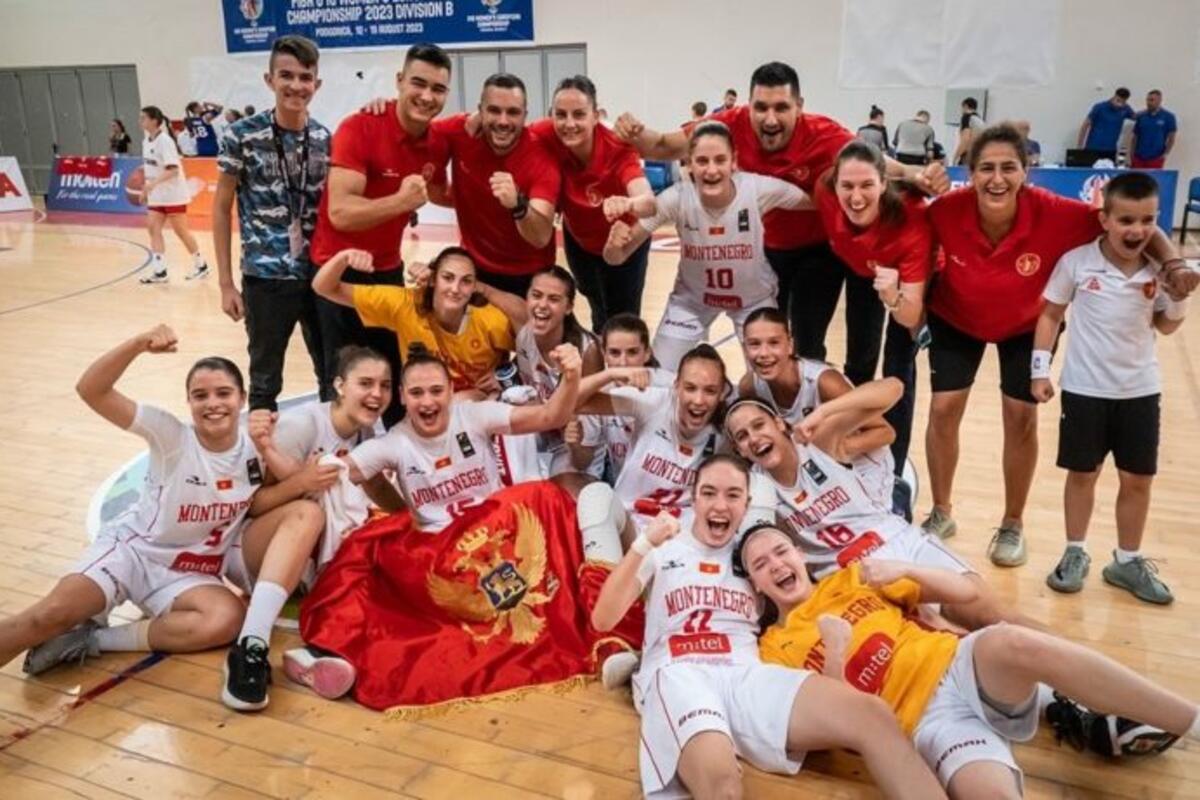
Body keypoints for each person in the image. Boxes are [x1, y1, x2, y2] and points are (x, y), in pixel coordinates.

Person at [5, 327, 325, 715]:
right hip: (133, 553)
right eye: (200, 395)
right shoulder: (171, 435)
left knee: (225, 620)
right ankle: (65, 628)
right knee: (47, 616)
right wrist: (137, 344)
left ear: (242, 399)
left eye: (223, 393)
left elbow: (259, 505)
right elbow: (91, 390)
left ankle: (93, 640)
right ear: (188, 403)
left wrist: (297, 474)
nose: (212, 404)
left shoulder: (256, 448)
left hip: (187, 573)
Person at [741, 526, 1200, 797]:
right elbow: (839, 727)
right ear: (756, 587)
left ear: (799, 554)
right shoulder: (774, 649)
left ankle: (1191, 720)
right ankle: (1057, 705)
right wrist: (836, 651)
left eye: (781, 551)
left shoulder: (850, 579)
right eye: (760, 564)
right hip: (926, 725)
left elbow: (966, 593)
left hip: (961, 665)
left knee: (1014, 642)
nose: (776, 564)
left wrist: (908, 570)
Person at [591, 455, 946, 800]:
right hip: (680, 671)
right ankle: (640, 670)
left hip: (747, 673)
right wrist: (643, 544)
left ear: (746, 504)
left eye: (733, 495)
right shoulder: (663, 548)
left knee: (871, 714)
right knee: (723, 787)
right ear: (693, 499)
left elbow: (802, 590)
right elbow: (603, 619)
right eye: (709, 493)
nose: (720, 505)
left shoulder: (754, 556)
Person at [921, 123, 1195, 566]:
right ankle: (941, 511)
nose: (997, 178)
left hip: (1025, 325)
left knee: (1020, 417)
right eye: (986, 168)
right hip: (956, 318)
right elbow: (900, 215)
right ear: (969, 174)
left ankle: (1012, 523)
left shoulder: (1056, 212)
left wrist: (1175, 264)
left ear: (1026, 171)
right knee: (942, 410)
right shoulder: (946, 210)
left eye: (1008, 167)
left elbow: (1140, 229)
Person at [616, 60, 948, 370]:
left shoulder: (824, 134)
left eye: (781, 108)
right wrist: (634, 132)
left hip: (817, 251)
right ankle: (773, 404)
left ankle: (812, 406)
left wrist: (916, 174)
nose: (770, 119)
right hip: (765, 250)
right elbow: (662, 145)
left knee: (809, 343)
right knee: (768, 337)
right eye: (761, 108)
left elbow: (874, 162)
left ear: (799, 106)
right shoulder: (728, 126)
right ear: (748, 105)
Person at [726, 388, 1024, 632]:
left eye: (759, 425)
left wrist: (823, 411)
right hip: (855, 578)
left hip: (900, 542)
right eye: (742, 436)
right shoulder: (756, 492)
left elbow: (893, 389)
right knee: (945, 641)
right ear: (739, 450)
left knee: (994, 618)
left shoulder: (817, 442)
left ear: (779, 423)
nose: (754, 438)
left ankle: (1053, 671)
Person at [1033, 173, 1190, 604]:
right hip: (1084, 389)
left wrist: (1180, 297)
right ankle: (1074, 551)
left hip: (1140, 390)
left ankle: (1127, 560)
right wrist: (1039, 371)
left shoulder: (1157, 270)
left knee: (1137, 479)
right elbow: (1050, 315)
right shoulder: (1077, 262)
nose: (1137, 230)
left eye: (1147, 220)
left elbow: (1166, 326)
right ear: (1104, 219)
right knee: (1083, 474)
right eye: (1126, 220)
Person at [310, 42, 454, 426]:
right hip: (338, 272)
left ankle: (398, 457)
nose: (427, 96)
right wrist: (401, 201)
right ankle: (337, 460)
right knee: (343, 385)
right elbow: (340, 213)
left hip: (388, 270)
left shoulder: (438, 141)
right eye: (418, 84)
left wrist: (503, 203)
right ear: (399, 81)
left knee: (392, 376)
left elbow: (442, 191)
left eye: (438, 89)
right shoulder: (359, 127)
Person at [250, 346, 404, 699]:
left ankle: (325, 654)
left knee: (384, 560)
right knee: (313, 514)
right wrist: (301, 483)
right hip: (258, 550)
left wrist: (416, 523)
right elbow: (251, 506)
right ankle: (260, 645)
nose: (376, 394)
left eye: (384, 385)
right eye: (365, 383)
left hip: (304, 553)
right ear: (339, 385)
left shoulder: (365, 432)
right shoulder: (302, 425)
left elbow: (376, 485)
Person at [603, 121, 811, 371]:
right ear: (689, 163)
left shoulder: (757, 188)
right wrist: (614, 245)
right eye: (702, 161)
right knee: (659, 374)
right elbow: (617, 257)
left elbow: (816, 201)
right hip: (692, 300)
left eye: (720, 160)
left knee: (770, 377)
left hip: (752, 300)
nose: (711, 170)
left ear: (734, 161)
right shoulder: (676, 198)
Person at [813, 140, 933, 517]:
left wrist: (893, 295)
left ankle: (894, 478)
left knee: (898, 367)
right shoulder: (824, 191)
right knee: (858, 364)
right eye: (847, 186)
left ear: (883, 183)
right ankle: (856, 451)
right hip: (862, 269)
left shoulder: (912, 220)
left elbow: (910, 316)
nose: (856, 196)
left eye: (867, 185)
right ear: (834, 185)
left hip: (906, 280)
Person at [343, 344, 582, 531]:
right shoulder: (394, 443)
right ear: (402, 396)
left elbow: (550, 416)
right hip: (440, 550)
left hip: (496, 529)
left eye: (436, 391)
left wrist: (572, 376)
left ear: (450, 390)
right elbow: (339, 473)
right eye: (416, 393)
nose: (427, 402)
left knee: (546, 496)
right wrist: (404, 514)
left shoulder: (474, 416)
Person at [215, 34, 332, 412]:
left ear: (317, 84)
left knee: (332, 374)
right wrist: (226, 283)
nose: (296, 85)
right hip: (265, 278)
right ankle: (262, 448)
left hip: (318, 275)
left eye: (305, 77)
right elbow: (221, 208)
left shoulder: (324, 139)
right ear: (270, 80)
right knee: (265, 380)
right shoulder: (241, 136)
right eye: (286, 75)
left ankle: (335, 447)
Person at [529, 76, 654, 331]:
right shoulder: (545, 134)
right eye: (561, 115)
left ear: (596, 116)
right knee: (595, 303)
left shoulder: (617, 147)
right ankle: (599, 344)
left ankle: (622, 354)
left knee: (623, 319)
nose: (569, 124)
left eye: (579, 114)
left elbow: (649, 203)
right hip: (579, 240)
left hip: (623, 242)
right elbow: (508, 130)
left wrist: (628, 203)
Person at [314, 246, 515, 398]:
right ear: (433, 279)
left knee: (467, 400)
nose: (455, 289)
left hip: (479, 408)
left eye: (466, 281)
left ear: (474, 287)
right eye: (448, 278)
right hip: (424, 409)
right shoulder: (405, 304)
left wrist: (505, 373)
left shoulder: (491, 319)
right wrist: (342, 257)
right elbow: (324, 287)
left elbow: (530, 348)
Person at [432, 73, 562, 298]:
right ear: (480, 111)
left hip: (529, 275)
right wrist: (386, 107)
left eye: (513, 112)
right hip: (474, 268)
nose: (503, 121)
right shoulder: (460, 132)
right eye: (494, 110)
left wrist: (518, 204)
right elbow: (414, 127)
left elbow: (541, 236)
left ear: (525, 115)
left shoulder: (540, 157)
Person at [576, 344, 728, 530]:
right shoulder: (655, 402)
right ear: (676, 386)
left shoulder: (728, 429)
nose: (698, 400)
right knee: (595, 497)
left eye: (710, 391)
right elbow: (572, 402)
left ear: (722, 393)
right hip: (628, 524)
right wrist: (610, 374)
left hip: (680, 533)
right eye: (690, 388)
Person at [566, 313, 672, 480]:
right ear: (604, 354)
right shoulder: (598, 393)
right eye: (615, 353)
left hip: (665, 486)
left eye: (632, 352)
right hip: (620, 484)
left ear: (647, 353)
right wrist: (575, 446)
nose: (623, 363)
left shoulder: (668, 386)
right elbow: (582, 463)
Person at [136, 105, 209, 284]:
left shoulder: (165, 141)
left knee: (181, 231)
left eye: (143, 118)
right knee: (153, 228)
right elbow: (151, 167)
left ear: (154, 120)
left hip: (173, 194)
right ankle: (160, 271)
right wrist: (146, 188)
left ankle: (201, 265)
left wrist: (151, 184)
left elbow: (173, 170)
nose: (140, 121)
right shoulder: (146, 141)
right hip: (156, 195)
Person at [1078, 87, 1135, 159]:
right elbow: (1085, 125)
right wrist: (1080, 145)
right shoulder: (1099, 107)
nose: (1119, 104)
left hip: (1110, 150)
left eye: (1122, 102)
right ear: (1114, 96)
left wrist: (1145, 111)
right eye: (1118, 100)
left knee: (1111, 166)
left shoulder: (1125, 109)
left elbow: (1136, 117)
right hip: (1093, 148)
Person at [1130, 90, 1177, 169]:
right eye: (1147, 100)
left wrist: (1165, 155)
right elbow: (1135, 137)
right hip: (1138, 157)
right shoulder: (1141, 116)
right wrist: (1132, 154)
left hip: (1156, 158)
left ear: (1159, 100)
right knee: (1135, 177)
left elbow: (1171, 139)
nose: (1148, 102)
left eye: (1152, 100)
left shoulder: (1168, 117)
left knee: (1153, 177)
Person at [951, 97, 985, 166]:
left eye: (962, 108)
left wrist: (955, 157)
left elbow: (965, 139)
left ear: (965, 106)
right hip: (979, 155)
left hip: (968, 156)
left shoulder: (967, 118)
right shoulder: (980, 120)